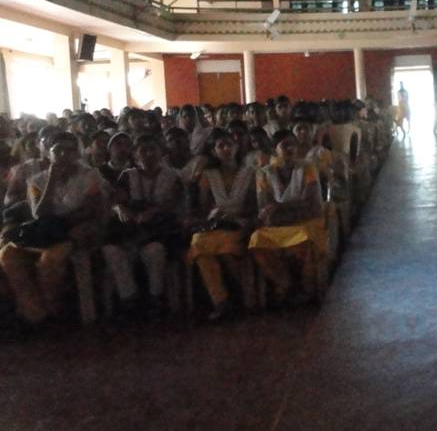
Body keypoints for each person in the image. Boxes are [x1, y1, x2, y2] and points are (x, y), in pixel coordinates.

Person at [0, 132, 102, 326]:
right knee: (7, 255)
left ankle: (51, 311)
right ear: (48, 153)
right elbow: (39, 213)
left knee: (50, 260)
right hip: (45, 231)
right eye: (58, 150)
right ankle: (36, 313)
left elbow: (89, 210)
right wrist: (52, 179)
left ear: (77, 153)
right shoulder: (37, 180)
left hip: (74, 231)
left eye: (70, 150)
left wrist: (59, 221)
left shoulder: (89, 175)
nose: (64, 154)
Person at [102, 134, 185, 315]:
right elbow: (117, 201)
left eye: (152, 150)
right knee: (112, 251)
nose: (148, 154)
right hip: (129, 228)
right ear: (135, 154)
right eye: (143, 150)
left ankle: (156, 297)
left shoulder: (172, 176)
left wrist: (153, 212)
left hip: (159, 230)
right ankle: (128, 297)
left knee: (154, 251)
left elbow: (173, 204)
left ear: (160, 152)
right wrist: (120, 210)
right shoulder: (128, 175)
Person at [248, 130, 328, 305]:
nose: (290, 148)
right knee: (256, 239)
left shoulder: (307, 168)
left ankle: (307, 288)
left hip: (305, 221)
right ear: (274, 149)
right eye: (284, 145)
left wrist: (279, 207)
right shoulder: (264, 173)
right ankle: (285, 283)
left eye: (293, 144)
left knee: (306, 238)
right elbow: (264, 207)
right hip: (279, 224)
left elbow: (312, 204)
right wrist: (285, 209)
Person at [187, 130, 257, 319]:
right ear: (214, 151)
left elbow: (253, 205)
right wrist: (215, 214)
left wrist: (235, 214)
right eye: (220, 146)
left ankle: (237, 298)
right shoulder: (208, 175)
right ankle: (221, 301)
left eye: (229, 145)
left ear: (236, 147)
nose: (226, 149)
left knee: (226, 249)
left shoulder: (249, 172)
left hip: (240, 223)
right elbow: (204, 207)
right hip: (217, 223)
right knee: (199, 244)